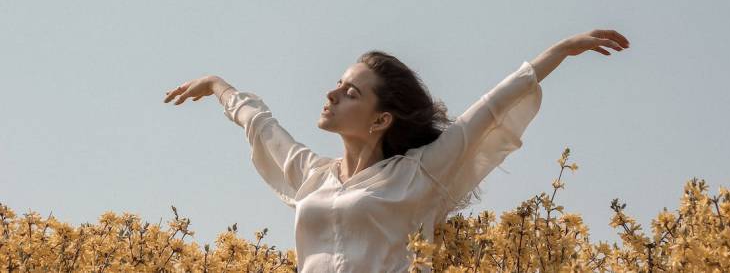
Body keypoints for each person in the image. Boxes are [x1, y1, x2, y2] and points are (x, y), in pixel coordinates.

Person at [164, 29, 630, 272]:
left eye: (350, 92)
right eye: (338, 84)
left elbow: (489, 109)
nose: (331, 93)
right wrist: (219, 86)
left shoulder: (418, 174)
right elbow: (262, 126)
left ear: (381, 120)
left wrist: (560, 51)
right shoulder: (314, 176)